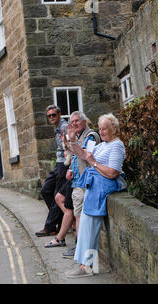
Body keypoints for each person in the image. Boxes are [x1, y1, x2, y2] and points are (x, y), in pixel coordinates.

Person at [65, 113, 126, 278]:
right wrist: (72, 140)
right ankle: (84, 265)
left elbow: (113, 172)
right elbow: (83, 154)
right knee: (85, 226)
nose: (102, 131)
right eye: (100, 128)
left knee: (90, 228)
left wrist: (94, 163)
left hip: (102, 188)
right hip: (94, 188)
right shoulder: (103, 145)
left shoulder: (117, 145)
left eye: (105, 128)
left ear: (114, 128)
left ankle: (87, 267)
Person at [45, 111, 101, 250]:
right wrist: (71, 168)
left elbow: (85, 155)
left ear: (84, 121)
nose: (74, 123)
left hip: (86, 181)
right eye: (72, 121)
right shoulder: (80, 135)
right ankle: (77, 246)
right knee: (75, 213)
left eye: (76, 121)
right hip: (77, 179)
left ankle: (79, 248)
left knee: (79, 216)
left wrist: (71, 141)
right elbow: (76, 155)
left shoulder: (91, 136)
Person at [35, 105, 69, 237]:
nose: (51, 118)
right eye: (49, 116)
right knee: (45, 190)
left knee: (57, 195)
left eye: (53, 115)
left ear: (59, 115)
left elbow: (70, 145)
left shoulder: (64, 127)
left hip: (64, 164)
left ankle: (50, 227)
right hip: (59, 163)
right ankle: (59, 218)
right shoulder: (57, 128)